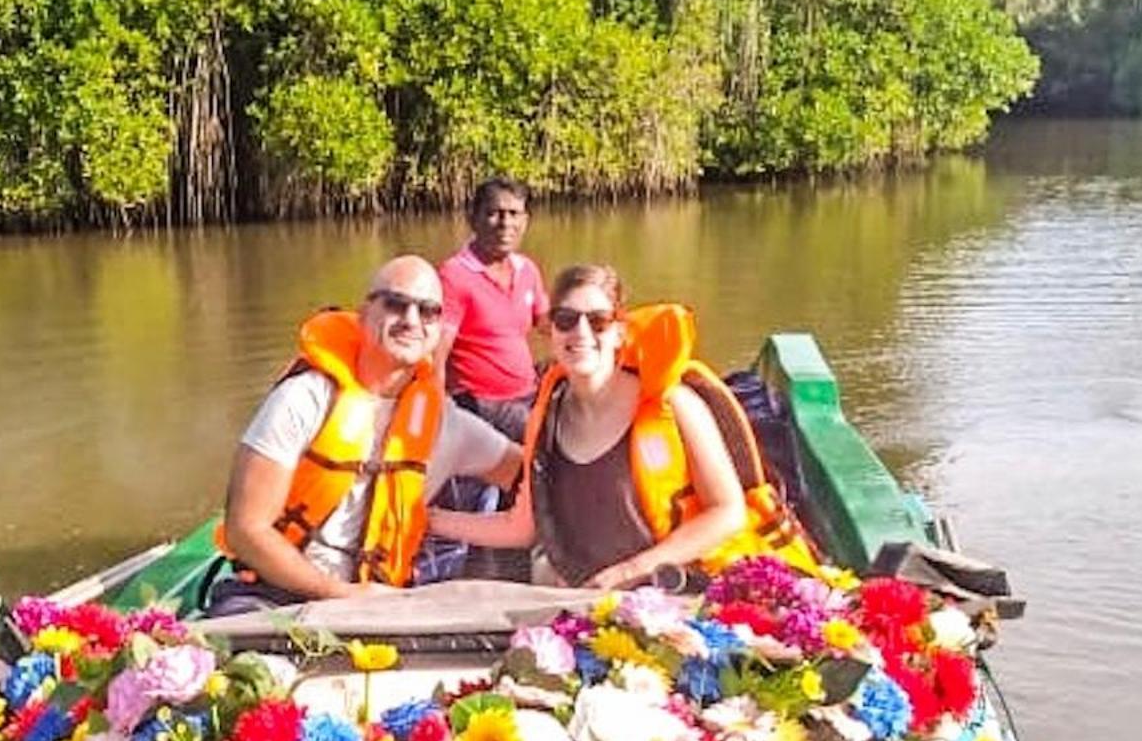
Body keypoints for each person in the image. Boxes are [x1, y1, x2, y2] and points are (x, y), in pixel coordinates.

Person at [425, 264, 820, 589]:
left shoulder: (673, 404)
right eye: (566, 320)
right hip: (595, 606)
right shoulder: (547, 420)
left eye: (597, 321)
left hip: (686, 593)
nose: (580, 333)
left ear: (619, 333)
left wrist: (630, 572)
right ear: (551, 332)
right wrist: (427, 519)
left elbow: (727, 512)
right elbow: (522, 527)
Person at [212, 256, 523, 611]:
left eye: (428, 311)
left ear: (438, 329)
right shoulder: (305, 398)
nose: (411, 320)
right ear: (364, 313)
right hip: (275, 594)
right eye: (395, 304)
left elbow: (533, 477)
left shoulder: (448, 425)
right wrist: (340, 594)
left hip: (382, 604)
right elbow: (246, 529)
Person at [437, 179, 549, 440]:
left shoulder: (526, 269)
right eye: (494, 213)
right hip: (480, 406)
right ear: (472, 219)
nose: (505, 223)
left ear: (526, 220)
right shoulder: (453, 275)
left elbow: (548, 324)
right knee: (543, 443)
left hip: (527, 396)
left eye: (514, 214)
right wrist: (438, 411)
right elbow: (436, 356)